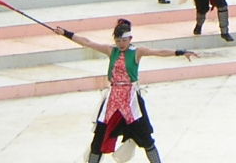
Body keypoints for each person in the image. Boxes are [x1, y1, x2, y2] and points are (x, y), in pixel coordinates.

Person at [60, 18, 193, 163]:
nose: (121, 44)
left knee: (146, 139)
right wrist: (65, 33)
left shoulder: (137, 52)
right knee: (99, 139)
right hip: (113, 100)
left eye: (124, 40)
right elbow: (87, 42)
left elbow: (159, 52)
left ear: (130, 39)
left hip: (131, 101)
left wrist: (180, 52)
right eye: (118, 40)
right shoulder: (111, 51)